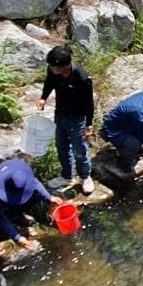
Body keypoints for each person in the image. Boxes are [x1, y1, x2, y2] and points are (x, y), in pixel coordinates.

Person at [37, 45, 95, 194]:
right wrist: (43, 98)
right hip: (60, 114)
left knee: (80, 149)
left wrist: (89, 125)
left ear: (64, 66)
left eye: (53, 66)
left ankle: (85, 176)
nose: (50, 68)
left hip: (77, 118)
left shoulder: (82, 78)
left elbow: (89, 104)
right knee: (61, 147)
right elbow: (49, 83)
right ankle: (66, 175)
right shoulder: (53, 72)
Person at [0, 159, 57, 253]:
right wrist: (17, 237)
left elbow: (34, 183)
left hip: (8, 205)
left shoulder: (20, 174)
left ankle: (14, 216)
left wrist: (49, 197)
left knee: (33, 196)